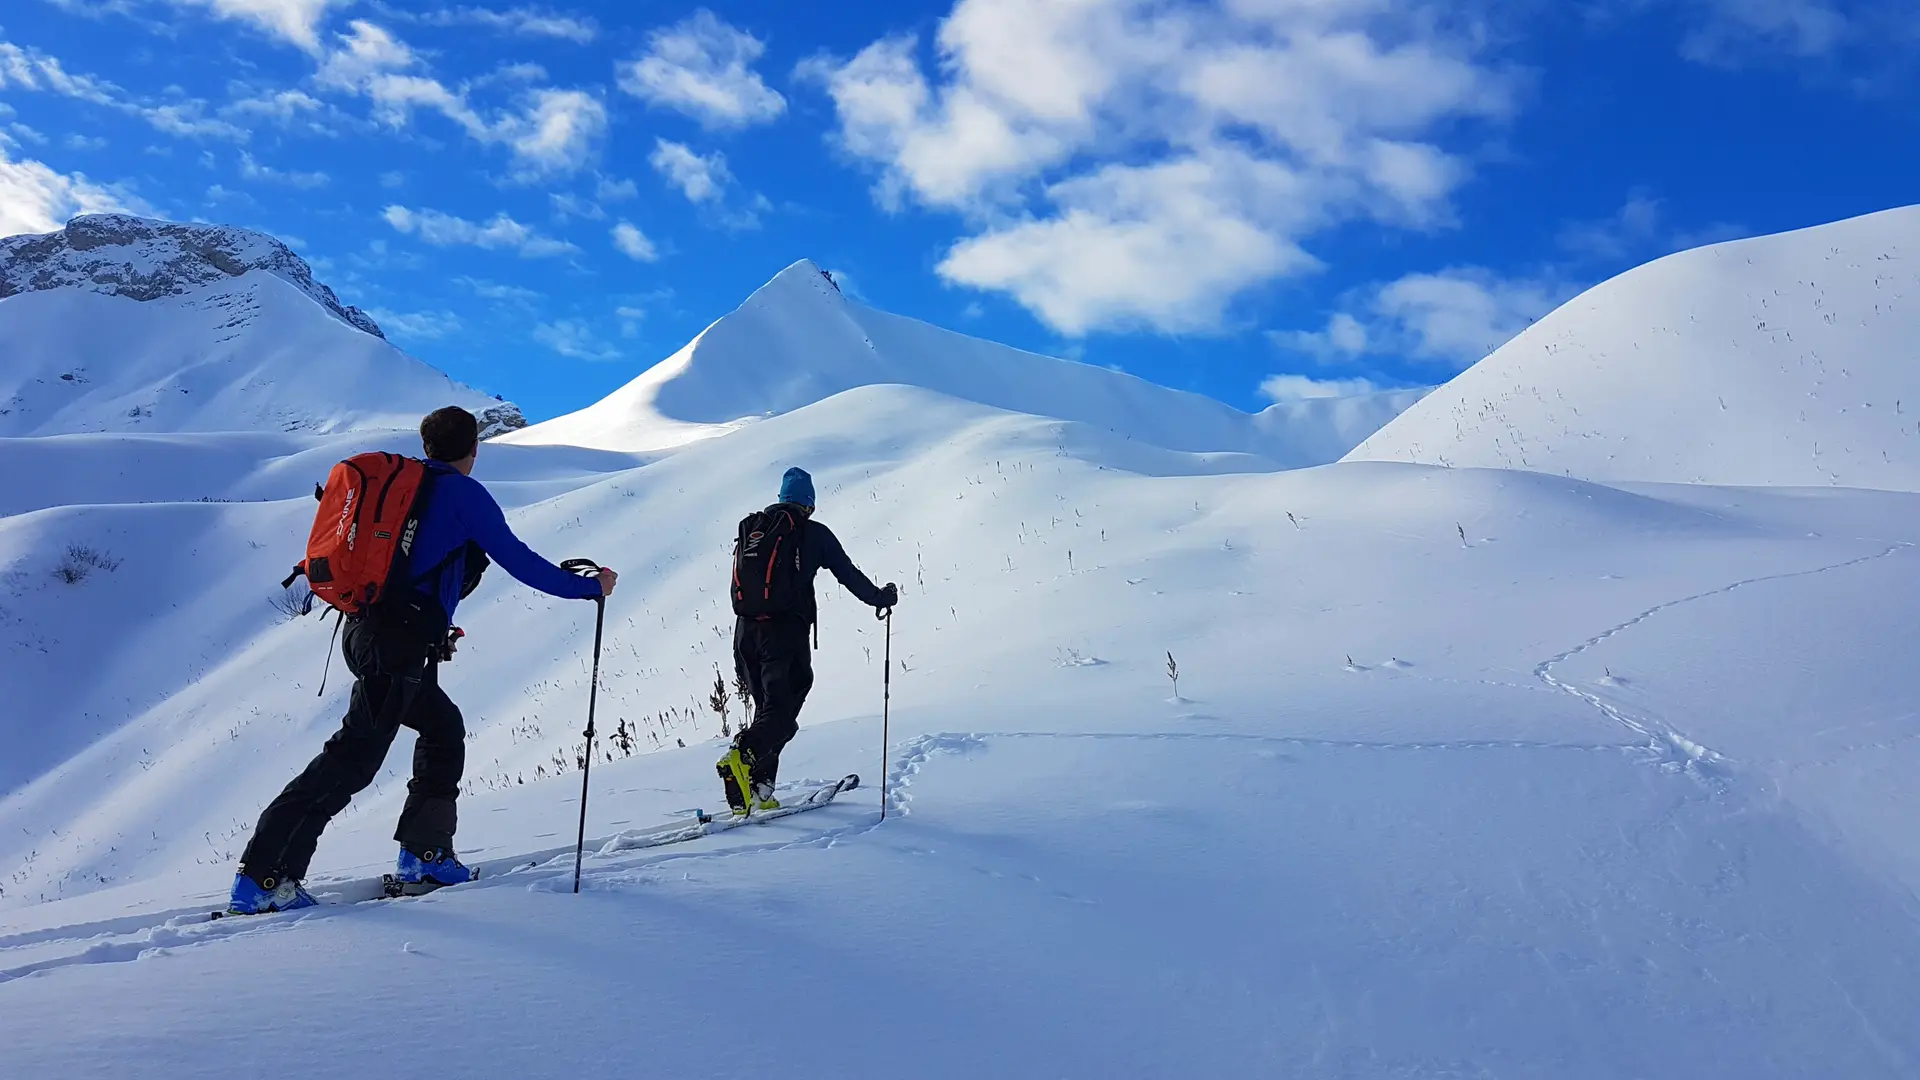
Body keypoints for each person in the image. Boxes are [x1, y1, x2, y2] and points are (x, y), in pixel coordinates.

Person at [226, 406, 617, 915]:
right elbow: (518, 560)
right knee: (351, 761)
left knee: (441, 727)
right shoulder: (461, 494)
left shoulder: (409, 490)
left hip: (374, 635)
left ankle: (425, 854)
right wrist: (589, 588)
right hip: (395, 648)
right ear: (473, 449)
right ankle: (264, 877)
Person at [719, 467, 896, 814]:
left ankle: (759, 789)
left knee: (768, 711)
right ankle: (742, 754)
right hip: (784, 634)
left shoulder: (755, 531)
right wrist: (881, 597)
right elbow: (848, 575)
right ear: (809, 505)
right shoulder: (814, 534)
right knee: (782, 714)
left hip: (745, 635)